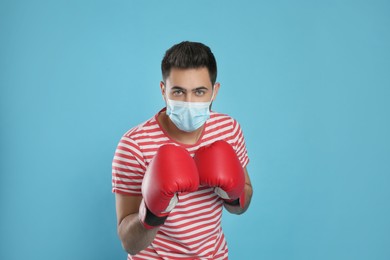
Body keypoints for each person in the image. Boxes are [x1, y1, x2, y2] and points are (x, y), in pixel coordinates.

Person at [112, 41, 253, 260]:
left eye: (199, 92)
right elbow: (129, 243)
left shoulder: (229, 129)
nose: (189, 102)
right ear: (163, 90)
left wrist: (233, 196)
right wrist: (152, 214)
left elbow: (241, 205)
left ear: (214, 91)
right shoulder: (134, 145)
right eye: (178, 92)